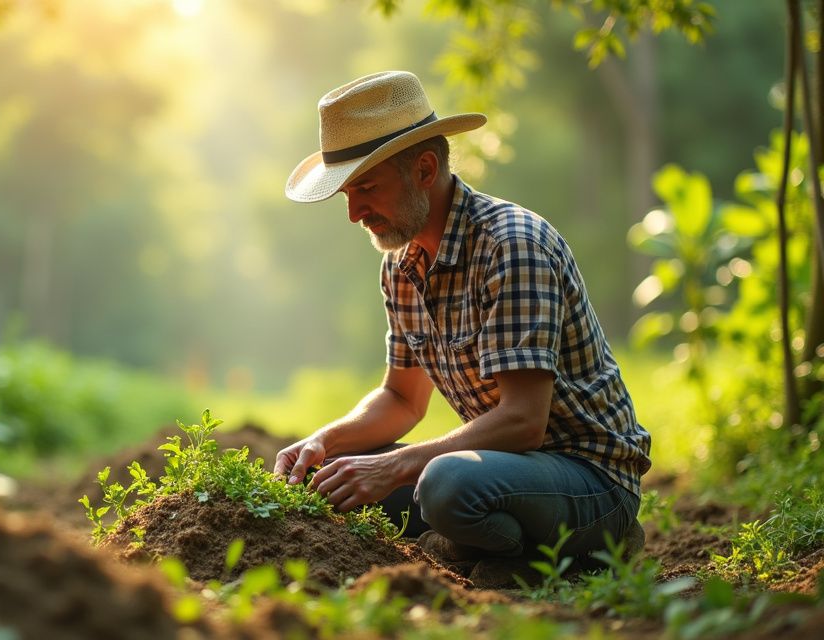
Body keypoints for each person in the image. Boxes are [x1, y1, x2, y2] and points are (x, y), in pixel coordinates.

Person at [273, 70, 651, 577]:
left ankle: (578, 552)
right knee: (338, 484)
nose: (354, 212)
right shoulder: (401, 266)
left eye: (366, 188)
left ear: (425, 170)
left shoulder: (513, 246)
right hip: (505, 474)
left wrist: (395, 466)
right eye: (346, 195)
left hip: (589, 478)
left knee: (445, 483)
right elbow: (403, 399)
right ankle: (497, 552)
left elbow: (524, 421)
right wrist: (327, 442)